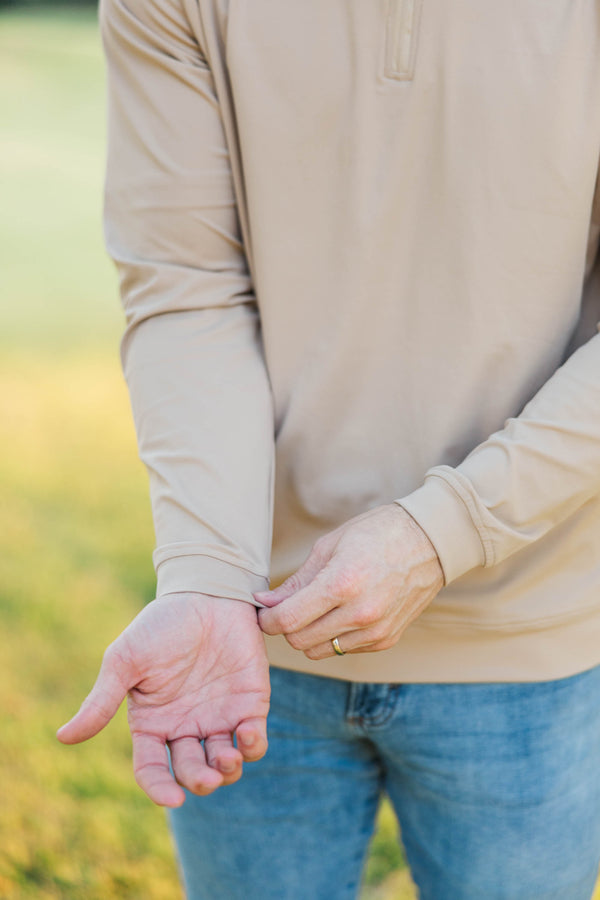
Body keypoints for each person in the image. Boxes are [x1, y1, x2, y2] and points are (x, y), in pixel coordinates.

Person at [57, 0, 600, 897]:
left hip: (529, 642)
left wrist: (443, 533)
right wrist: (206, 574)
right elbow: (189, 290)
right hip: (243, 644)